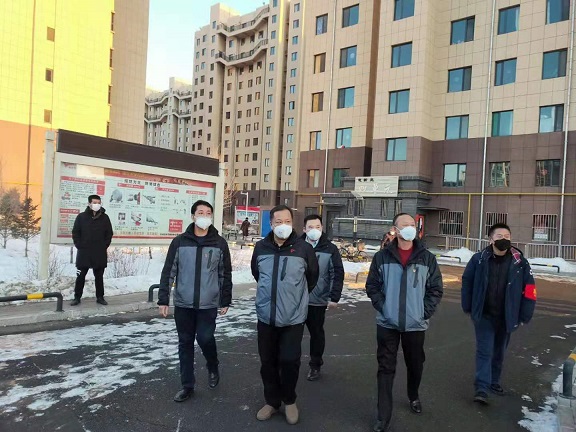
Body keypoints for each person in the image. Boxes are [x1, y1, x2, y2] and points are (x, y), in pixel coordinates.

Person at [365, 213, 443, 432]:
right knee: (385, 368)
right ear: (395, 230)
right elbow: (372, 286)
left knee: (415, 363)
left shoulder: (427, 258)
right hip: (387, 323)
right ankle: (383, 416)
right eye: (405, 224)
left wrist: (423, 312)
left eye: (412, 224)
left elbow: (435, 289)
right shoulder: (382, 257)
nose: (410, 227)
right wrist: (383, 307)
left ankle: (413, 394)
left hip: (415, 324)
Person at [158, 200, 233, 403]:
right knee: (185, 343)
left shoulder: (219, 243)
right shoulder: (180, 242)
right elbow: (169, 271)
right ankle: (187, 385)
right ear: (193, 216)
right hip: (184, 303)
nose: (204, 216)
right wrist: (163, 299)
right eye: (201, 212)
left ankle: (212, 365)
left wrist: (225, 299)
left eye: (208, 213)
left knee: (205, 338)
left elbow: (225, 273)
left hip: (208, 304)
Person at [251, 205, 319, 425]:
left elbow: (312, 278)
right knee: (267, 361)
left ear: (293, 223)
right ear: (271, 224)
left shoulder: (303, 248)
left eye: (287, 221)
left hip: (293, 317)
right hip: (266, 316)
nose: (283, 225)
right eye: (278, 222)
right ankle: (272, 402)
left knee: (289, 361)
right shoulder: (261, 247)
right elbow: (257, 274)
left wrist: (293, 297)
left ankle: (289, 400)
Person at [461, 223, 536, 405]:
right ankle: (482, 387)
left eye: (507, 236)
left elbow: (529, 288)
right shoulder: (479, 259)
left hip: (507, 316)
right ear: (491, 239)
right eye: (499, 236)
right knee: (484, 351)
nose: (504, 239)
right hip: (484, 314)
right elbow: (467, 281)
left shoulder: (520, 262)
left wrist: (525, 313)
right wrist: (468, 305)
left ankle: (494, 381)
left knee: (499, 351)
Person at [301, 214, 344, 381]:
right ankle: (290, 363)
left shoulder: (330, 248)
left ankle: (315, 365)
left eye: (317, 227)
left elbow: (337, 273)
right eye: (310, 227)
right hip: (296, 300)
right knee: (292, 335)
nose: (314, 230)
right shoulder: (296, 246)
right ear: (304, 229)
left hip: (317, 299)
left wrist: (334, 296)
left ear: (322, 228)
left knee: (316, 334)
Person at [71, 194, 113, 306]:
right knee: (80, 276)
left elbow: (109, 233)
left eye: (98, 203)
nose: (96, 205)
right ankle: (77, 297)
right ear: (89, 204)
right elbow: (75, 232)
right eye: (94, 203)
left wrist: (104, 245)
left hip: (99, 252)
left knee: (99, 277)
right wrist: (79, 245)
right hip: (84, 252)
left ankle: (100, 297)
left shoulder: (105, 218)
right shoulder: (81, 217)